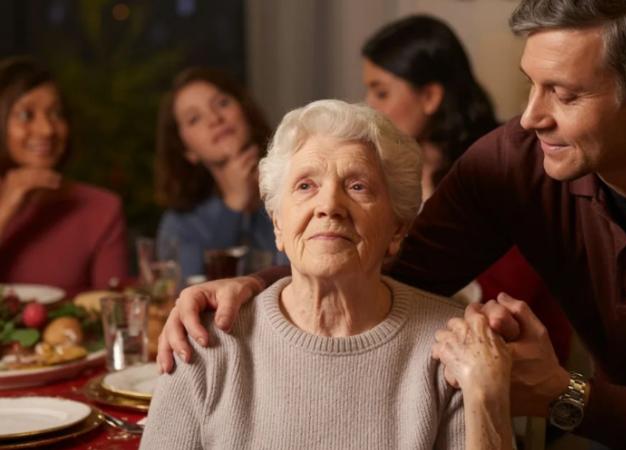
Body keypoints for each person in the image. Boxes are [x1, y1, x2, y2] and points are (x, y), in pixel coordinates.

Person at [157, 1, 626, 449]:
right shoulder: (518, 158)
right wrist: (258, 288)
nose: (530, 116)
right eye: (530, 83)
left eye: (564, 94)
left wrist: (561, 393)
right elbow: (394, 259)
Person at [143, 100, 472, 448]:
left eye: (357, 186)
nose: (329, 205)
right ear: (278, 225)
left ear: (397, 229)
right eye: (305, 186)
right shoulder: (205, 341)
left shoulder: (452, 345)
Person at [362, 15, 571, 361]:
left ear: (430, 96)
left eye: (381, 92)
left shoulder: (500, 169)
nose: (370, 106)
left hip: (517, 356)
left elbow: (506, 293)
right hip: (433, 343)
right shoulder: (394, 172)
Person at [0, 56, 127, 295]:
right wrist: (7, 207)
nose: (47, 129)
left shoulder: (102, 208)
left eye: (56, 114)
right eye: (26, 115)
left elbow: (115, 308)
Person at [154, 67, 287, 281]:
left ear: (244, 111)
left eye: (222, 104)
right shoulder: (180, 224)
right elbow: (192, 291)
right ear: (187, 151)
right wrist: (233, 206)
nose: (215, 119)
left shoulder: (296, 184)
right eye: (194, 119)